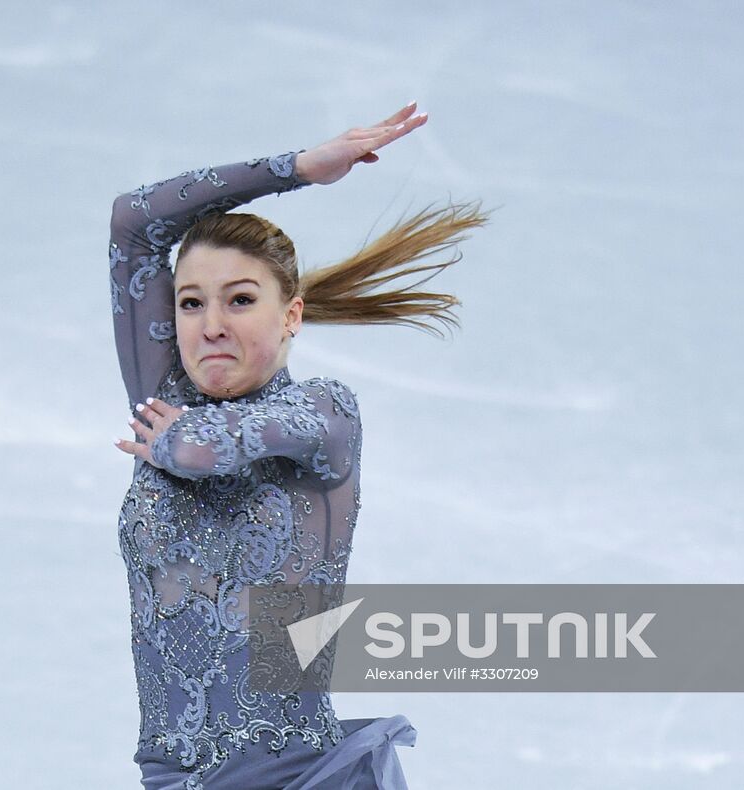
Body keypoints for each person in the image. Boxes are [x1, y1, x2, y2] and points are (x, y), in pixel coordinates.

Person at [109, 101, 488, 789]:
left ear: (291, 316)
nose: (211, 324)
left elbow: (199, 451)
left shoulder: (324, 413)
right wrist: (297, 169)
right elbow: (133, 221)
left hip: (298, 776)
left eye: (241, 300)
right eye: (190, 303)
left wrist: (171, 441)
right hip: (171, 777)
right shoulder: (169, 400)